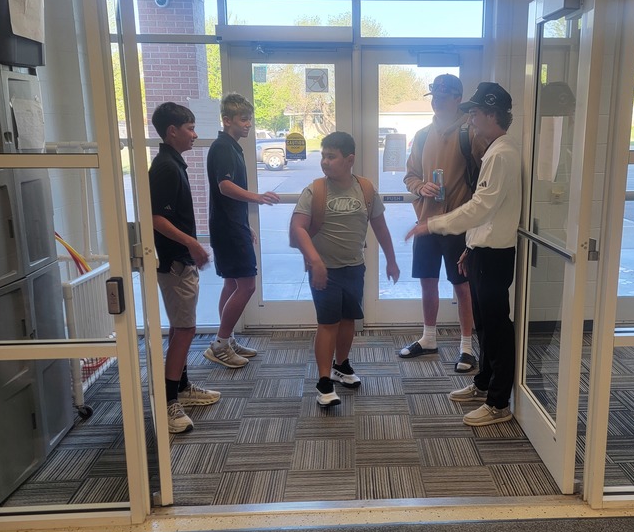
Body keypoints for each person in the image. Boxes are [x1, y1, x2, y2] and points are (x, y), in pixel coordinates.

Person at [405, 82, 520, 427]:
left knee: (498, 328)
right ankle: (484, 384)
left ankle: (499, 403)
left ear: (489, 113)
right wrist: (470, 246)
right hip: (481, 245)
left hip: (495, 250)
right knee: (487, 324)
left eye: (474, 112)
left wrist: (435, 224)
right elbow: (483, 211)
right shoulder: (494, 149)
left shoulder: (501, 153)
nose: (470, 118)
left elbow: (479, 206)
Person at [289, 131, 400, 407]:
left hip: (354, 267)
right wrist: (315, 261)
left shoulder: (365, 188)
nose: (325, 162)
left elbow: (380, 227)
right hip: (324, 271)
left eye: (331, 156)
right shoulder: (315, 190)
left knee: (349, 320)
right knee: (328, 324)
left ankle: (342, 366)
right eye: (323, 156)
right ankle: (324, 381)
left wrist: (391, 259)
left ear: (349, 159)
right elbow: (297, 229)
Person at [401, 72, 486, 372]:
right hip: (426, 222)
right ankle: (428, 338)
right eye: (434, 93)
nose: (437, 98)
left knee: (462, 286)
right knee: (427, 282)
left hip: (457, 225)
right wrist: (420, 187)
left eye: (444, 93)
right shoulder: (423, 134)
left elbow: (483, 178)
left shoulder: (471, 133)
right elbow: (409, 175)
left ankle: (466, 346)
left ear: (457, 98)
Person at [149, 101, 220, 434]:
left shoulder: (172, 163)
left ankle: (182, 387)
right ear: (172, 131)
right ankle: (169, 402)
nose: (195, 134)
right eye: (190, 128)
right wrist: (192, 244)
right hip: (174, 262)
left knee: (182, 326)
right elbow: (156, 218)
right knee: (184, 330)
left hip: (180, 260)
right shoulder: (164, 166)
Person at [204, 92, 280, 368]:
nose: (249, 124)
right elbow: (225, 187)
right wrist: (257, 197)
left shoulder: (232, 146)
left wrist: (246, 226)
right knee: (247, 286)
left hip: (232, 226)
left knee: (232, 283)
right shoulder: (223, 147)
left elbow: (226, 193)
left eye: (250, 119)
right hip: (227, 229)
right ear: (227, 120)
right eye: (243, 119)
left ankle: (227, 338)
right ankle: (221, 344)